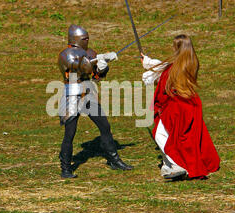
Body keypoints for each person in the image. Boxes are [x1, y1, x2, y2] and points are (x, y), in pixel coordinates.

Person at [57, 24, 133, 178]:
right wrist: (98, 59)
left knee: (104, 125)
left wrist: (103, 67)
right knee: (70, 133)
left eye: (87, 38)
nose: (87, 41)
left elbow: (96, 77)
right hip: (71, 95)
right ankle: (65, 167)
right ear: (76, 39)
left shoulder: (90, 53)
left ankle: (114, 160)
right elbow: (79, 67)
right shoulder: (66, 54)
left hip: (88, 93)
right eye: (84, 38)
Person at [141, 34, 220, 180]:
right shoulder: (190, 62)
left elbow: (164, 76)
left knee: (160, 134)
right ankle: (173, 162)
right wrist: (148, 62)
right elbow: (164, 68)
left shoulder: (175, 69)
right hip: (191, 105)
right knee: (187, 138)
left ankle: (177, 164)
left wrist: (149, 73)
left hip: (177, 108)